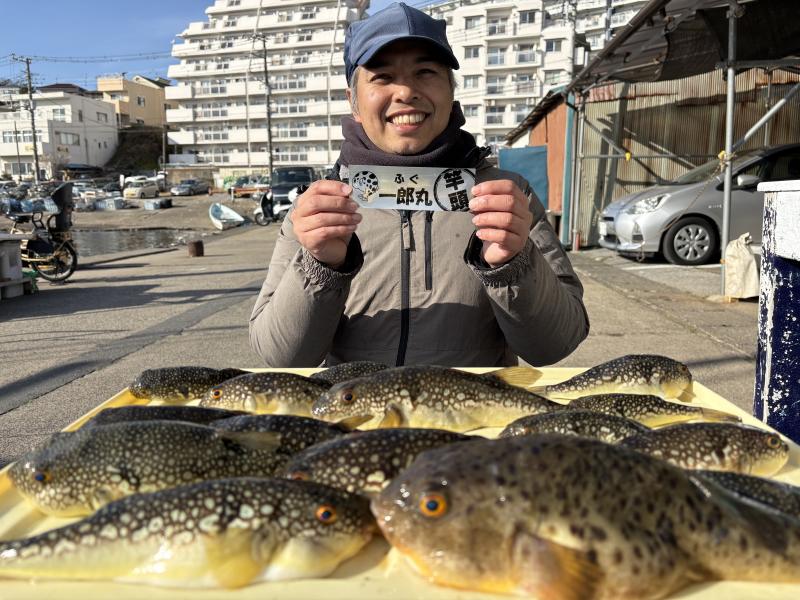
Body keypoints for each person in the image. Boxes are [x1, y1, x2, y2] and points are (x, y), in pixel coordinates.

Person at [250, 2, 589, 368]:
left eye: (425, 72)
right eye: (381, 77)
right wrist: (321, 266)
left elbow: (556, 345)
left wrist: (514, 263)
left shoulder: (506, 195)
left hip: (473, 420)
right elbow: (280, 356)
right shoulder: (320, 207)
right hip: (356, 416)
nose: (406, 91)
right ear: (354, 102)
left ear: (450, 91)